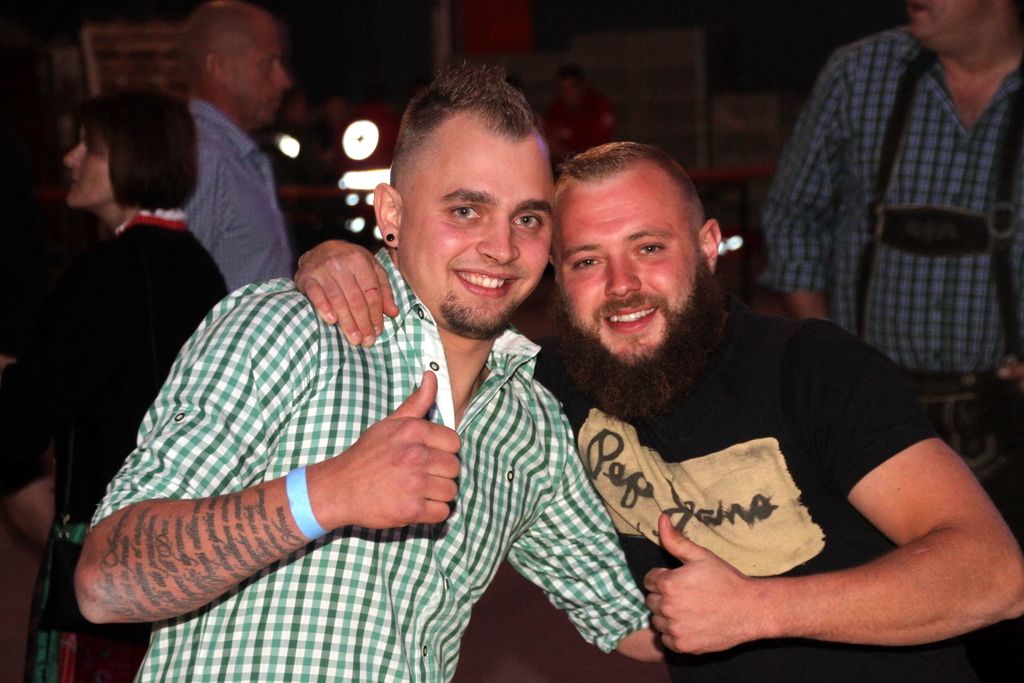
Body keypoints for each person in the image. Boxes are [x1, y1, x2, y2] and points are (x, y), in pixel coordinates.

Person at [295, 141, 1024, 681]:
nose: (622, 285)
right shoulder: (548, 389)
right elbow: (434, 320)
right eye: (587, 260)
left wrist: (758, 610)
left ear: (707, 248)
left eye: (648, 247)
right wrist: (341, 259)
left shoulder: (809, 367)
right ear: (557, 278)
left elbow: (995, 574)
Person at [74, 66, 654, 682]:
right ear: (391, 212)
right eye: (465, 210)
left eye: (529, 219)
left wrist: (741, 600)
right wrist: (328, 494)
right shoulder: (291, 329)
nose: (503, 247)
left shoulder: (529, 422)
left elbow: (633, 619)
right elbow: (105, 582)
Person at [0, 90, 226, 683]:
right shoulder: (198, 264)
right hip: (179, 541)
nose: (70, 158)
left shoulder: (109, 273)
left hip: (105, 550)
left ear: (134, 157)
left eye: (90, 146)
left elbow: (24, 417)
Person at [760, 1, 1024, 501]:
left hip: (1012, 418)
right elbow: (793, 214)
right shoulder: (860, 73)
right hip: (877, 408)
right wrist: (828, 353)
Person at [180, 0, 295, 290]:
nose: (283, 80)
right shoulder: (206, 158)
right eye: (268, 63)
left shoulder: (227, 152)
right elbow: (180, 286)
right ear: (217, 66)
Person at [544, 64, 615, 165]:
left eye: (571, 88)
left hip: (597, 164)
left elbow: (601, 146)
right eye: (563, 89)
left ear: (581, 87)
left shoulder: (599, 106)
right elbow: (550, 141)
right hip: (566, 165)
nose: (567, 93)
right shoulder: (557, 108)